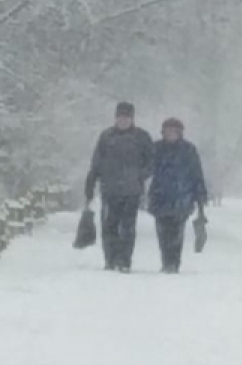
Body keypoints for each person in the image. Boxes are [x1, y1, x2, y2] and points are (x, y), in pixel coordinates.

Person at [84, 102, 154, 272]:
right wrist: (91, 182)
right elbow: (97, 162)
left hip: (132, 191)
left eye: (127, 117)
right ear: (115, 118)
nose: (123, 120)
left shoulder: (142, 137)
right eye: (120, 117)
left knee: (128, 227)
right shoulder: (107, 137)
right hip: (110, 189)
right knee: (109, 225)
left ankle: (124, 260)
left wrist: (140, 175)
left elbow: (151, 161)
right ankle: (110, 258)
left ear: (132, 118)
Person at [148, 117, 208, 274]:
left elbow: (197, 174)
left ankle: (173, 262)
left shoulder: (188, 150)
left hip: (182, 198)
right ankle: (166, 260)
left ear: (180, 133)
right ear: (163, 132)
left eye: (174, 131)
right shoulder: (155, 149)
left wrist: (200, 195)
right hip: (159, 196)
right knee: (162, 231)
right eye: (168, 131)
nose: (171, 134)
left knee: (177, 231)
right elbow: (145, 170)